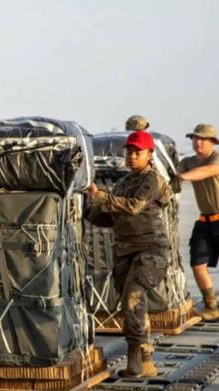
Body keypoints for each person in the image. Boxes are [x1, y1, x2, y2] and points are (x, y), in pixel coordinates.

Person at [85, 130, 171, 377]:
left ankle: (139, 358)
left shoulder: (152, 180)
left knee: (133, 296)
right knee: (130, 305)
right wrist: (86, 207)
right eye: (129, 152)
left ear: (149, 154)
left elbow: (133, 207)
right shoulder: (123, 183)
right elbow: (108, 218)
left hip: (150, 250)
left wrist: (101, 195)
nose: (132, 156)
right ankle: (142, 359)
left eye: (138, 152)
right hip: (124, 252)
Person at [174, 123, 219, 321]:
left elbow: (207, 171)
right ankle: (211, 306)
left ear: (212, 143)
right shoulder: (188, 162)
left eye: (203, 139)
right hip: (205, 220)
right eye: (195, 138)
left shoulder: (216, 159)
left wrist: (181, 178)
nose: (198, 142)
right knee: (197, 263)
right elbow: (171, 174)